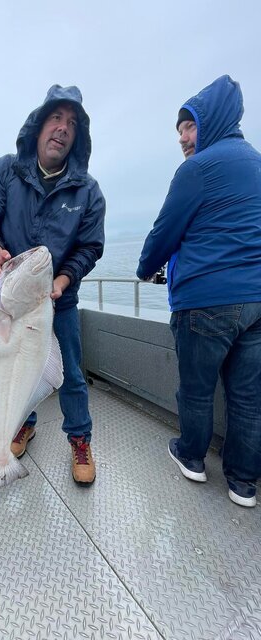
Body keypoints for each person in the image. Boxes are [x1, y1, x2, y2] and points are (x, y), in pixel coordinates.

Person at [137, 75, 261, 507]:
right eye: (180, 131)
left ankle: (191, 457)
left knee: (197, 389)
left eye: (189, 126)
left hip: (206, 303)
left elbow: (164, 232)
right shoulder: (258, 163)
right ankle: (243, 482)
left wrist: (144, 269)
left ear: (212, 121)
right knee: (248, 397)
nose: (184, 139)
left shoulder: (197, 169)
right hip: (258, 303)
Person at [0, 85, 106, 486]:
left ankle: (80, 440)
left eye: (72, 123)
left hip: (55, 300)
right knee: (13, 369)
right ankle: (22, 424)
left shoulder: (88, 191)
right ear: (38, 125)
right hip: (7, 298)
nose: (63, 128)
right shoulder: (4, 171)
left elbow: (90, 247)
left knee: (70, 375)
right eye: (56, 118)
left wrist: (65, 279)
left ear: (78, 137)